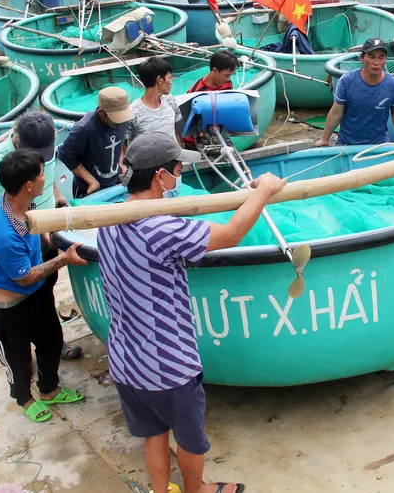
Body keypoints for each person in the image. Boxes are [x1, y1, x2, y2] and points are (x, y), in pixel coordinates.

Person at [97, 133, 285, 493]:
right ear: (159, 178)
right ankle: (196, 490)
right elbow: (230, 234)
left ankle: (160, 489)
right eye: (177, 170)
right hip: (168, 365)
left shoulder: (107, 219)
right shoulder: (161, 228)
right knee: (189, 438)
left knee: (153, 432)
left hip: (125, 359)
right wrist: (263, 191)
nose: (178, 177)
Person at [0, 148, 88, 423]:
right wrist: (63, 259)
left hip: (34, 297)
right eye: (42, 175)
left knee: (52, 341)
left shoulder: (18, 204)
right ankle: (23, 398)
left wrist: (51, 240)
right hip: (8, 308)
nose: (45, 178)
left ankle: (49, 390)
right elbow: (26, 276)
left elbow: (34, 232)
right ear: (29, 185)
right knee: (18, 360)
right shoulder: (2, 232)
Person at [0, 111, 82, 360]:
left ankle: (51, 346)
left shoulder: (44, 148)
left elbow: (48, 173)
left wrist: (56, 197)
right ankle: (19, 360)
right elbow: (10, 215)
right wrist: (39, 233)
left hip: (41, 234)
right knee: (19, 305)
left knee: (44, 296)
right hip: (18, 243)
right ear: (18, 141)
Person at [316, 38, 394, 147]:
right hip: (347, 144)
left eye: (381, 57)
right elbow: (336, 112)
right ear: (362, 57)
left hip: (379, 145)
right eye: (371, 57)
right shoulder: (347, 80)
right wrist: (324, 139)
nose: (376, 62)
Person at [57, 86, 133, 199]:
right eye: (116, 118)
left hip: (115, 181)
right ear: (101, 112)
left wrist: (121, 162)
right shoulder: (83, 129)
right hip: (87, 188)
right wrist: (90, 180)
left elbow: (121, 141)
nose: (120, 122)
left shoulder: (123, 120)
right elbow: (64, 154)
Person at [128, 56, 183, 145]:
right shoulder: (133, 111)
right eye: (169, 77)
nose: (171, 81)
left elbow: (176, 131)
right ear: (159, 80)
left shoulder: (170, 100)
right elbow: (123, 145)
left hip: (173, 158)